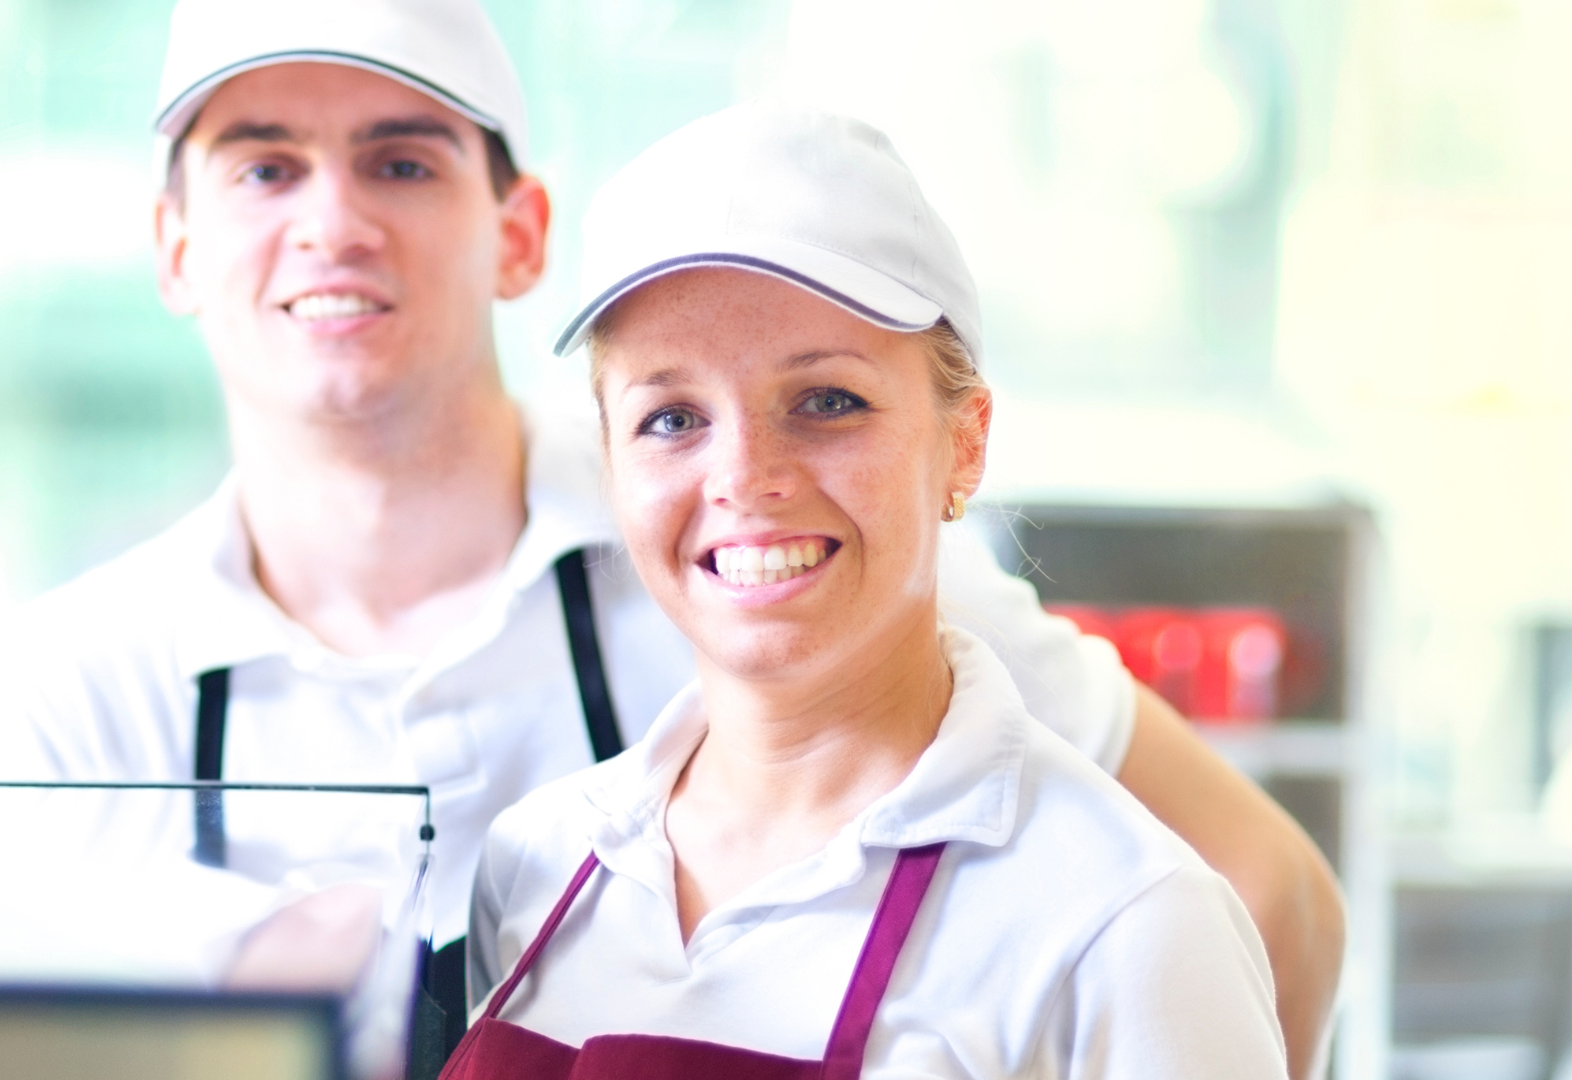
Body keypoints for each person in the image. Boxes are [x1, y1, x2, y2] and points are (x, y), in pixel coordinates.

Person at [0, 0, 1340, 1073]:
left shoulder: (815, 578)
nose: (335, 224)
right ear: (172, 244)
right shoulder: (67, 695)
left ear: (518, 232)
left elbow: (1260, 885)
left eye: (402, 161)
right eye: (263, 169)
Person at [458, 102, 1288, 1079]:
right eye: (673, 416)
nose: (744, 476)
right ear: (608, 461)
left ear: (964, 443)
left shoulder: (1120, 926)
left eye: (827, 402)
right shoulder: (540, 864)